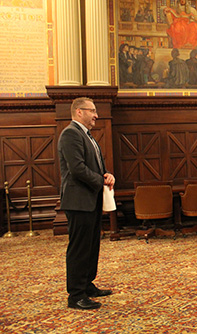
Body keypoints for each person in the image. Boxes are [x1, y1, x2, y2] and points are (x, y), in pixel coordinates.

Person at [58, 97, 115, 310]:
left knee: (91, 246)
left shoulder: (87, 135)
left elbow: (95, 164)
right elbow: (77, 169)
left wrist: (106, 174)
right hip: (78, 200)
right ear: (79, 112)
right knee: (79, 248)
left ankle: (87, 285)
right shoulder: (71, 134)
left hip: (90, 199)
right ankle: (75, 295)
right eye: (92, 111)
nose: (96, 115)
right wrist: (101, 180)